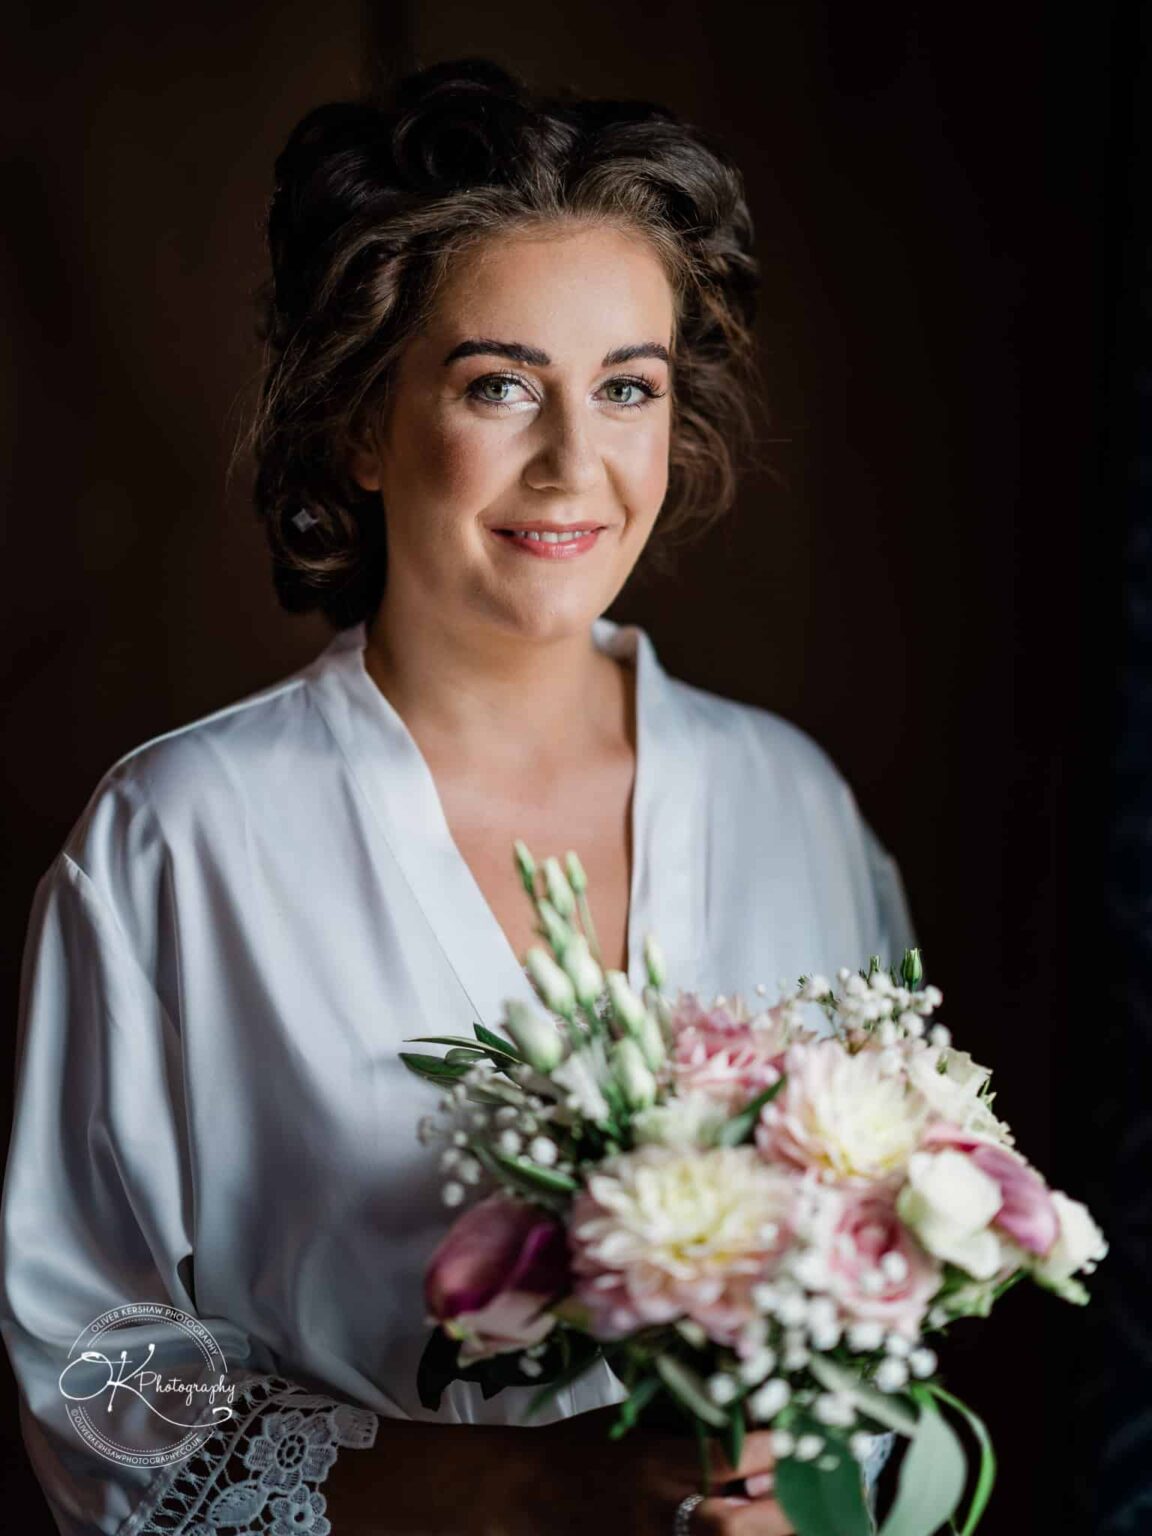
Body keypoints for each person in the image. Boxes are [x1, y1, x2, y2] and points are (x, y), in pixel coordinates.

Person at [0, 57, 913, 1536]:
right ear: (362, 425)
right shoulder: (182, 839)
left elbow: (881, 1314)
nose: (574, 465)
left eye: (627, 388)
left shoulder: (792, 807)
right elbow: (94, 1367)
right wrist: (529, 1490)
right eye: (500, 386)